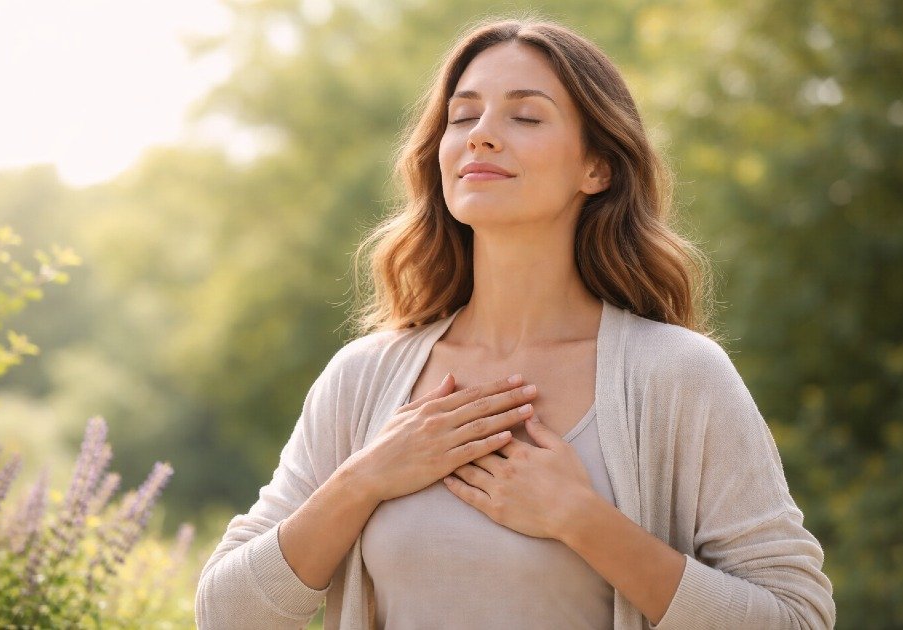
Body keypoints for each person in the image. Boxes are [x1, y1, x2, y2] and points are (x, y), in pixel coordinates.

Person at [195, 17, 835, 630]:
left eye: (525, 116)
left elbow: (795, 617)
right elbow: (227, 615)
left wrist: (582, 520)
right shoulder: (364, 378)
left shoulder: (677, 375)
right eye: (463, 116)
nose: (481, 134)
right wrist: (366, 477)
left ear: (597, 167)